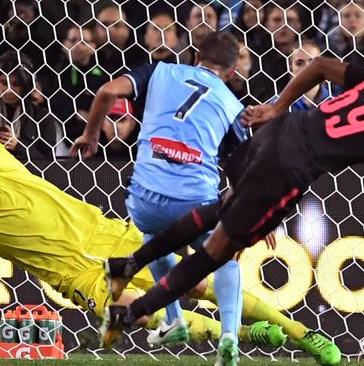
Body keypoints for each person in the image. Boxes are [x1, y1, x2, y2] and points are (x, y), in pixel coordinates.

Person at [100, 58, 364, 360]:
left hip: (277, 133)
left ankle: (128, 265)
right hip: (287, 171)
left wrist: (277, 108)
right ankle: (132, 313)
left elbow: (321, 66)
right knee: (218, 252)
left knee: (218, 211)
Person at [0, 112, 309, 352]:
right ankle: (251, 336)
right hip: (67, 272)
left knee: (200, 283)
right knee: (138, 317)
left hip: (102, 236)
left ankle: (299, 332)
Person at [71, 31, 252, 366]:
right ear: (231, 72)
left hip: (145, 199)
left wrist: (91, 134)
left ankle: (174, 319)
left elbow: (108, 91)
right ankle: (229, 334)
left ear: (195, 56)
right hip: (197, 200)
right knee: (225, 256)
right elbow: (246, 166)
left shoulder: (161, 71)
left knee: (154, 237)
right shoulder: (233, 105)